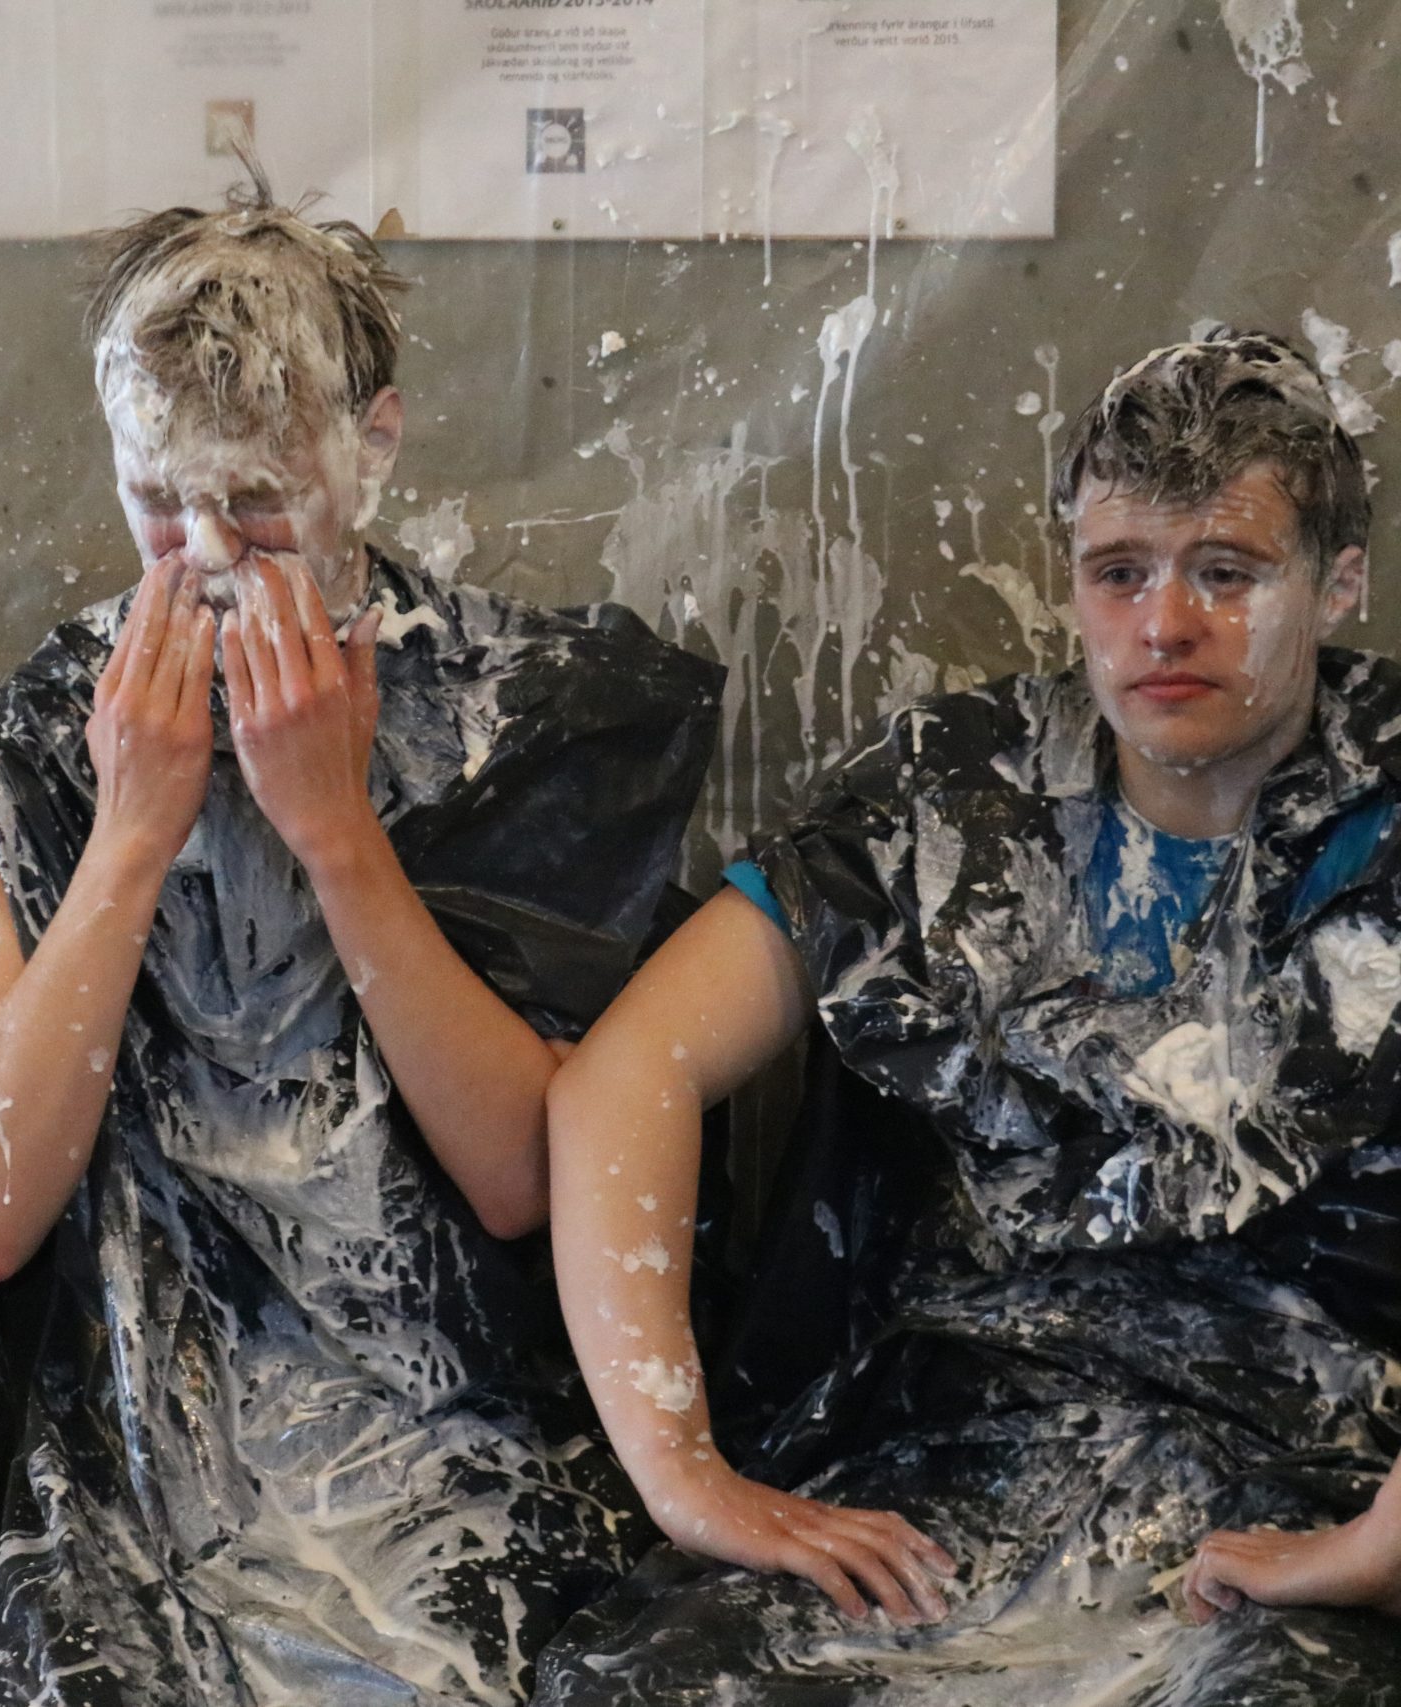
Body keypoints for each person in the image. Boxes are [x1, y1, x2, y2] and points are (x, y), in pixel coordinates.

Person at [0, 171, 722, 1706]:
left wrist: (336, 831)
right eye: (160, 504)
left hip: (466, 1444)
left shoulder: (524, 710)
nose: (209, 553)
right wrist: (131, 835)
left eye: (261, 503)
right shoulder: (31, 745)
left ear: (375, 444)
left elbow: (522, 1179)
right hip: (148, 1476)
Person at [532, 331, 1401, 1703]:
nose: (1163, 624)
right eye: (1120, 572)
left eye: (1227, 573)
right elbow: (625, 1075)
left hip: (1305, 1471)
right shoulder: (952, 802)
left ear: (1337, 583)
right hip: (954, 1463)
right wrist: (687, 1477)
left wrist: (1379, 1547)